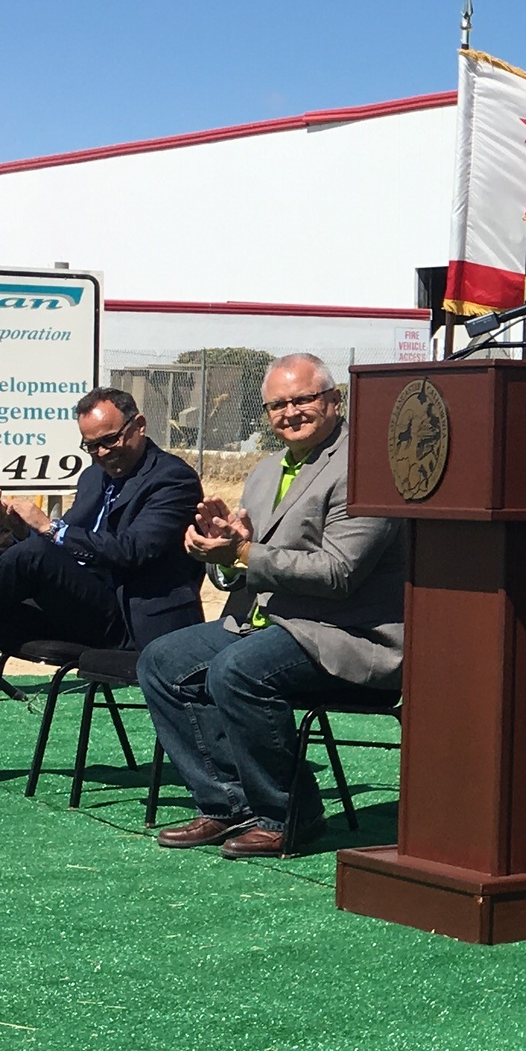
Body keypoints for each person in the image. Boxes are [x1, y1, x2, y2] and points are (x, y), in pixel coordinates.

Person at [139, 354, 406, 860]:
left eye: (303, 399)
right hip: (268, 621)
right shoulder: (265, 472)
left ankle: (290, 816)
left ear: (334, 400)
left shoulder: (368, 466)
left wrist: (243, 553)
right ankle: (227, 804)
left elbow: (339, 573)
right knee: (162, 661)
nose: (290, 413)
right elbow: (243, 568)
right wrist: (224, 551)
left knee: (238, 671)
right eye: (277, 405)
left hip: (346, 631)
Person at [0, 386, 202, 734]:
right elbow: (70, 547)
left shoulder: (173, 479)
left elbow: (131, 551)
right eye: (91, 446)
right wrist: (23, 530)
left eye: (110, 440)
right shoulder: (93, 477)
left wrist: (48, 529)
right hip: (78, 609)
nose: (101, 453)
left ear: (139, 425)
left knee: (34, 553)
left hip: (128, 620)